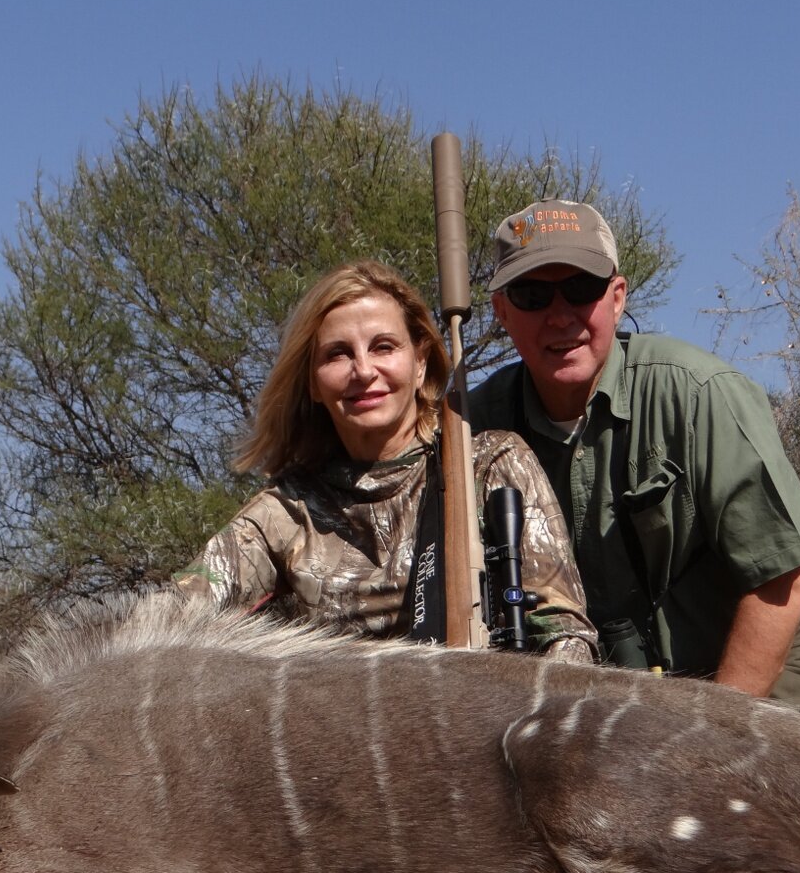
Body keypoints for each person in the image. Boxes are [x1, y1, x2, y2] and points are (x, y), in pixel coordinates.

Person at [468, 199, 800, 711]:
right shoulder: (473, 427)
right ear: (502, 312)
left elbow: (784, 574)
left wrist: (716, 732)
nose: (559, 315)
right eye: (532, 295)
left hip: (748, 695)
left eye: (581, 288)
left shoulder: (699, 392)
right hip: (608, 711)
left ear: (617, 297)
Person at [176, 259, 596, 660]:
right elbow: (173, 612)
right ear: (313, 384)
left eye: (383, 347)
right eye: (337, 354)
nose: (363, 370)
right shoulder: (288, 509)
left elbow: (565, 636)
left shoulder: (491, 464)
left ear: (420, 364)